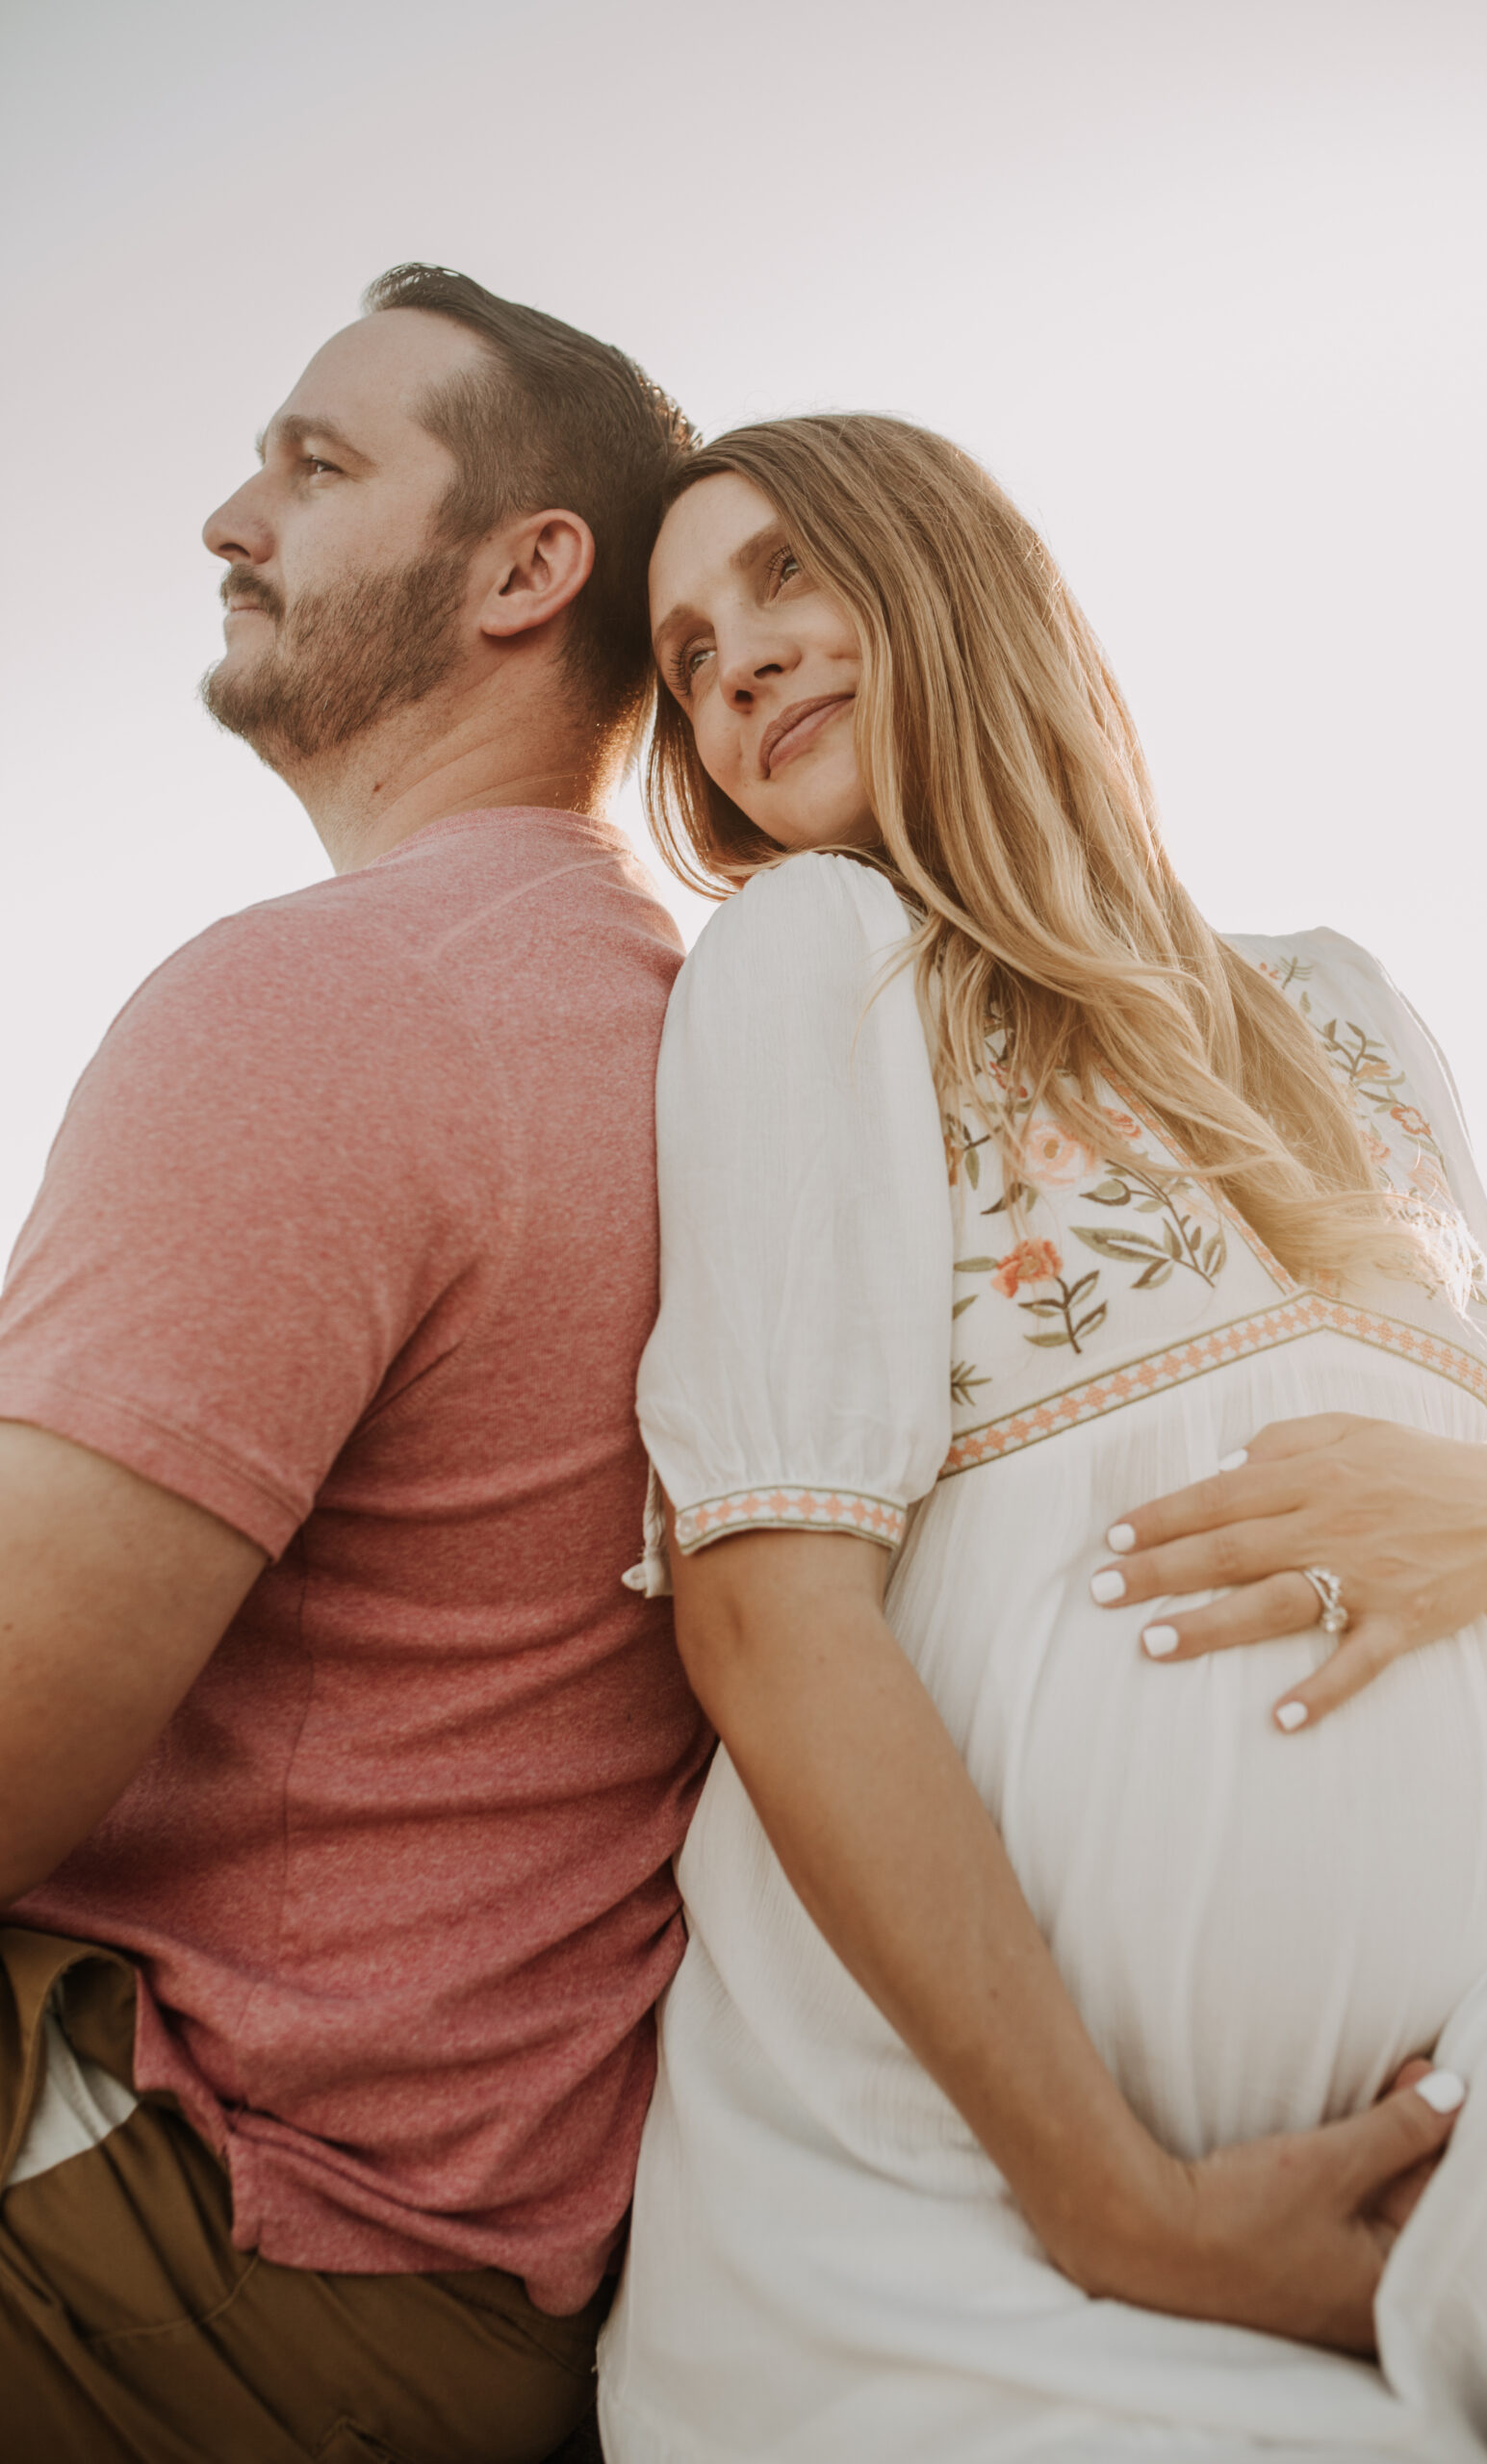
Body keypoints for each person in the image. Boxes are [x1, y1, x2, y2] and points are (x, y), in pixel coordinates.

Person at [599, 414, 1487, 2463]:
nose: (733, 663)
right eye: (689, 647)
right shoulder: (817, 957)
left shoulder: (1341, 994)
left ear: (955, 575)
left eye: (791, 574)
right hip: (972, 2200)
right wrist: (1113, 2200)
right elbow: (760, 1611)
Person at [0, 266, 712, 2463]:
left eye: (314, 467)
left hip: (212, 2232)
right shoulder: (683, 1022)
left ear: (523, 569)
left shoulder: (331, 1004)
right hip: (485, 2274)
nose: (229, 515)